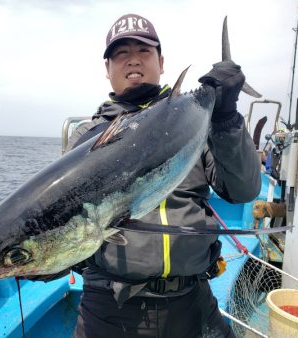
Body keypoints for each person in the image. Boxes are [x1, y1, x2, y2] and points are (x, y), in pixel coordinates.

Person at [67, 13, 261, 338]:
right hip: (110, 303)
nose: (133, 61)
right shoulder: (89, 138)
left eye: (143, 51)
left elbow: (243, 190)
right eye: (121, 53)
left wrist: (226, 118)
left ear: (161, 61)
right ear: (107, 69)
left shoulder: (195, 118)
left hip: (191, 298)